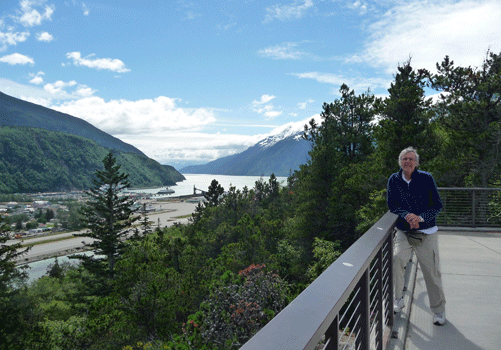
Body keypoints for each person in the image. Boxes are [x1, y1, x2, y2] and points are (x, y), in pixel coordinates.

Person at [387, 147, 446, 325]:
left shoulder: (426, 178)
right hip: (405, 231)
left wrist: (420, 218)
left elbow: (437, 205)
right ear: (400, 161)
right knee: (397, 259)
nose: (408, 161)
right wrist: (407, 216)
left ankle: (438, 310)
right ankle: (398, 299)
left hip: (426, 233)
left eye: (411, 159)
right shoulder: (394, 180)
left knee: (431, 272)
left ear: (417, 162)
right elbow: (392, 205)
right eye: (404, 159)